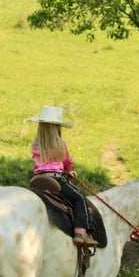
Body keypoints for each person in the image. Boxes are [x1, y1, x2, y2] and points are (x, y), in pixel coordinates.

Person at [26, 105, 98, 248]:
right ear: (56, 127)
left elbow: (40, 162)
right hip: (55, 179)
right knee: (79, 199)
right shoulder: (60, 144)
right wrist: (69, 170)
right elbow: (67, 161)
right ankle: (80, 232)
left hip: (39, 179)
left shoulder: (35, 144)